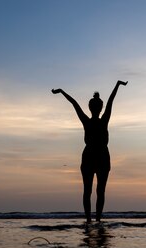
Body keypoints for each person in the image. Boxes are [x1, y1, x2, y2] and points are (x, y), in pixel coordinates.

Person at [52, 80, 128, 223]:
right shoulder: (103, 120)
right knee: (100, 192)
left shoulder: (88, 121)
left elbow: (74, 103)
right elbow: (111, 100)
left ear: (90, 107)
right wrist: (117, 85)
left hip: (92, 157)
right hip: (100, 157)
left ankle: (89, 220)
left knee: (88, 191)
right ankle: (96, 220)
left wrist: (62, 91)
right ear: (101, 107)